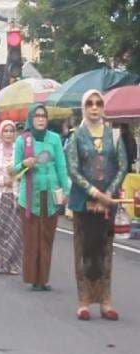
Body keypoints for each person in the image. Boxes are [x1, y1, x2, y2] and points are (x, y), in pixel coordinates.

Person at [67, 90, 128, 321]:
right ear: (84, 108)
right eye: (90, 104)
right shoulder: (76, 136)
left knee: (104, 253)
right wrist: (93, 193)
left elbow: (122, 166)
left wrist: (108, 193)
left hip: (107, 203)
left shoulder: (114, 135)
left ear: (103, 107)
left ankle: (105, 301)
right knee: (84, 251)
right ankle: (83, 302)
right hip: (84, 202)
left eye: (98, 103)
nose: (94, 107)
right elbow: (73, 169)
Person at [14, 103, 70, 292]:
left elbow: (61, 166)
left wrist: (66, 191)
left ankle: (44, 279)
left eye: (43, 116)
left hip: (51, 194)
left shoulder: (54, 138)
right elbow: (14, 171)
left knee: (46, 238)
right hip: (29, 196)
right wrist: (24, 164)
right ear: (31, 118)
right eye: (37, 116)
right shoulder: (23, 140)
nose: (40, 119)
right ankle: (32, 278)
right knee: (31, 238)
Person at [0, 120, 23, 274]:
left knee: (15, 231)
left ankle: (13, 263)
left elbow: (24, 171)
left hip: (15, 195)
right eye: (5, 131)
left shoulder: (18, 151)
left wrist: (15, 178)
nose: (8, 134)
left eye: (11, 131)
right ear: (1, 133)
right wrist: (2, 181)